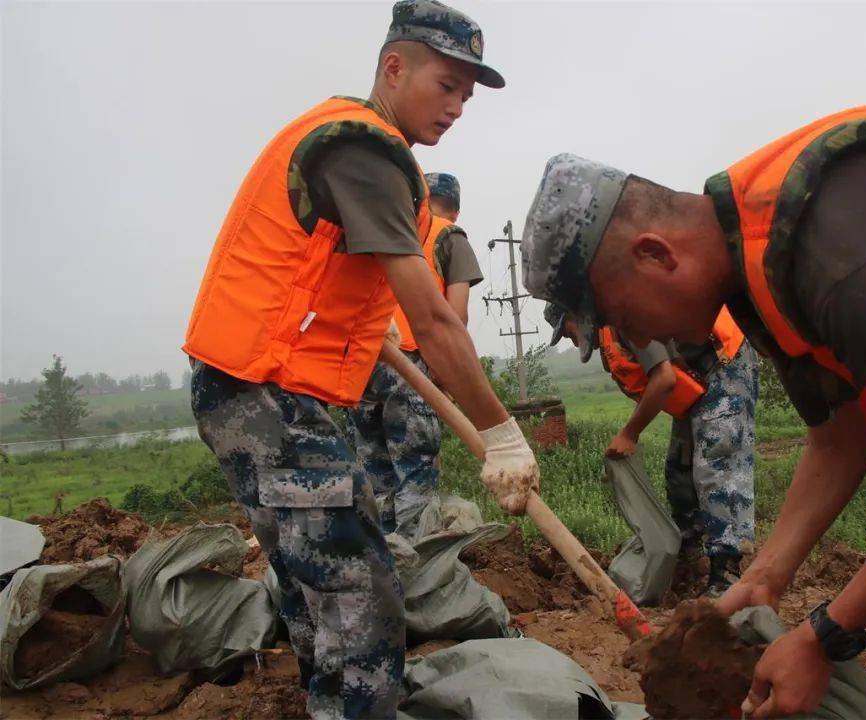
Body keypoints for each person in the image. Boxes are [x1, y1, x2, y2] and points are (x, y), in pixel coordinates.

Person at [519, 104, 866, 718]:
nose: (628, 336)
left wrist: (824, 637)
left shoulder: (835, 238)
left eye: (620, 317)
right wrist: (765, 574)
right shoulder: (757, 276)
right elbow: (839, 438)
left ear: (654, 254)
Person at [183, 3, 539, 717]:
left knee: (316, 576)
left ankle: (331, 703)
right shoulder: (367, 151)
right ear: (394, 67)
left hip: (249, 390)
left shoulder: (342, 142)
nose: (458, 107)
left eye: (468, 95)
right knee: (361, 587)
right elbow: (437, 318)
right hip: (266, 397)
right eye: (447, 84)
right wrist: (500, 431)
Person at [545, 303, 758, 594]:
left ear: (579, 314)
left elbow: (664, 380)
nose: (571, 340)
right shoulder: (612, 332)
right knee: (680, 469)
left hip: (724, 366)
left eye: (566, 330)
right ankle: (689, 557)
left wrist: (630, 434)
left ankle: (727, 574)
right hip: (697, 381)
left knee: (716, 466)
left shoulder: (626, 318)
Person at [347, 171, 483, 539]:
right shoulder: (448, 235)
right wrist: (445, 373)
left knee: (373, 469)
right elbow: (457, 314)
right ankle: (419, 560)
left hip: (362, 363)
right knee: (415, 467)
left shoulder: (386, 228)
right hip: (408, 364)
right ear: (454, 207)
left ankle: (386, 559)